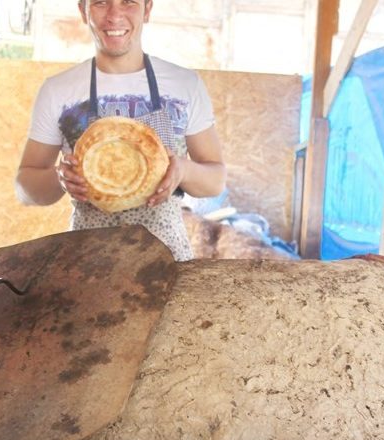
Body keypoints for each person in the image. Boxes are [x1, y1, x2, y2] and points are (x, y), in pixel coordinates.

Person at [16, 0, 226, 261]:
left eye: (128, 2)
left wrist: (182, 169)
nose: (115, 16)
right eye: (101, 3)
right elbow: (24, 187)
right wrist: (60, 178)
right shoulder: (58, 91)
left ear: (147, 9)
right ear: (84, 10)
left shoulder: (185, 85)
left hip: (167, 262)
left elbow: (216, 180)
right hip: (87, 264)